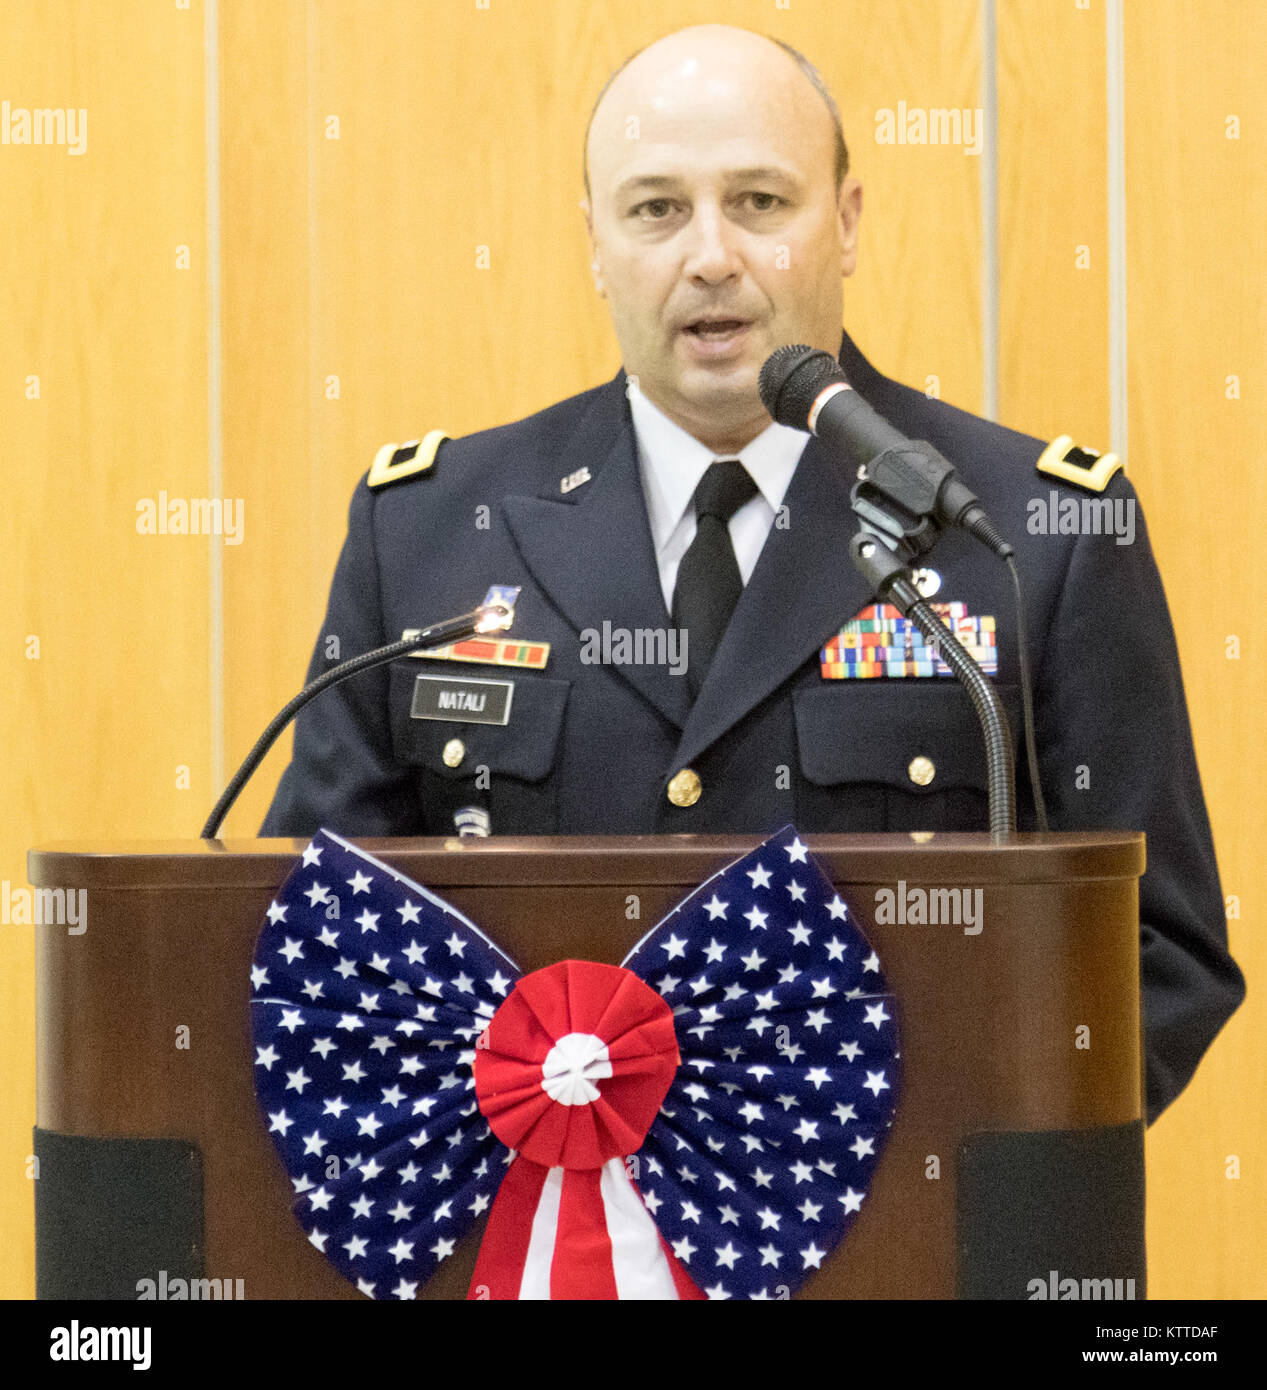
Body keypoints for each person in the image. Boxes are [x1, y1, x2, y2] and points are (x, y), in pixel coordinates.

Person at [260, 25, 1242, 1123]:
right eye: (656, 209)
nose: (710, 254)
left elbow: (1159, 951)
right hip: (541, 1249)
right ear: (593, 242)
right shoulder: (431, 528)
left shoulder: (1030, 528)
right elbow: (315, 926)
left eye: (761, 202)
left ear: (848, 222)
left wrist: (887, 1157)